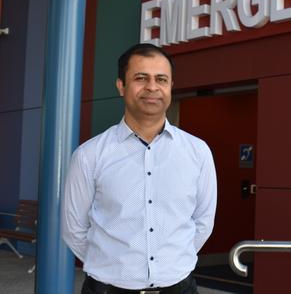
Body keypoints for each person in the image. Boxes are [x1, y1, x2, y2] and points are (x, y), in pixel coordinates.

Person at [62, 43, 217, 294]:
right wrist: (114, 266)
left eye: (161, 79)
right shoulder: (89, 155)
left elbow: (203, 223)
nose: (152, 87)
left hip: (179, 288)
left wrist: (171, 262)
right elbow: (73, 230)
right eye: (141, 78)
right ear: (121, 86)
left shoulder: (197, 152)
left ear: (170, 86)